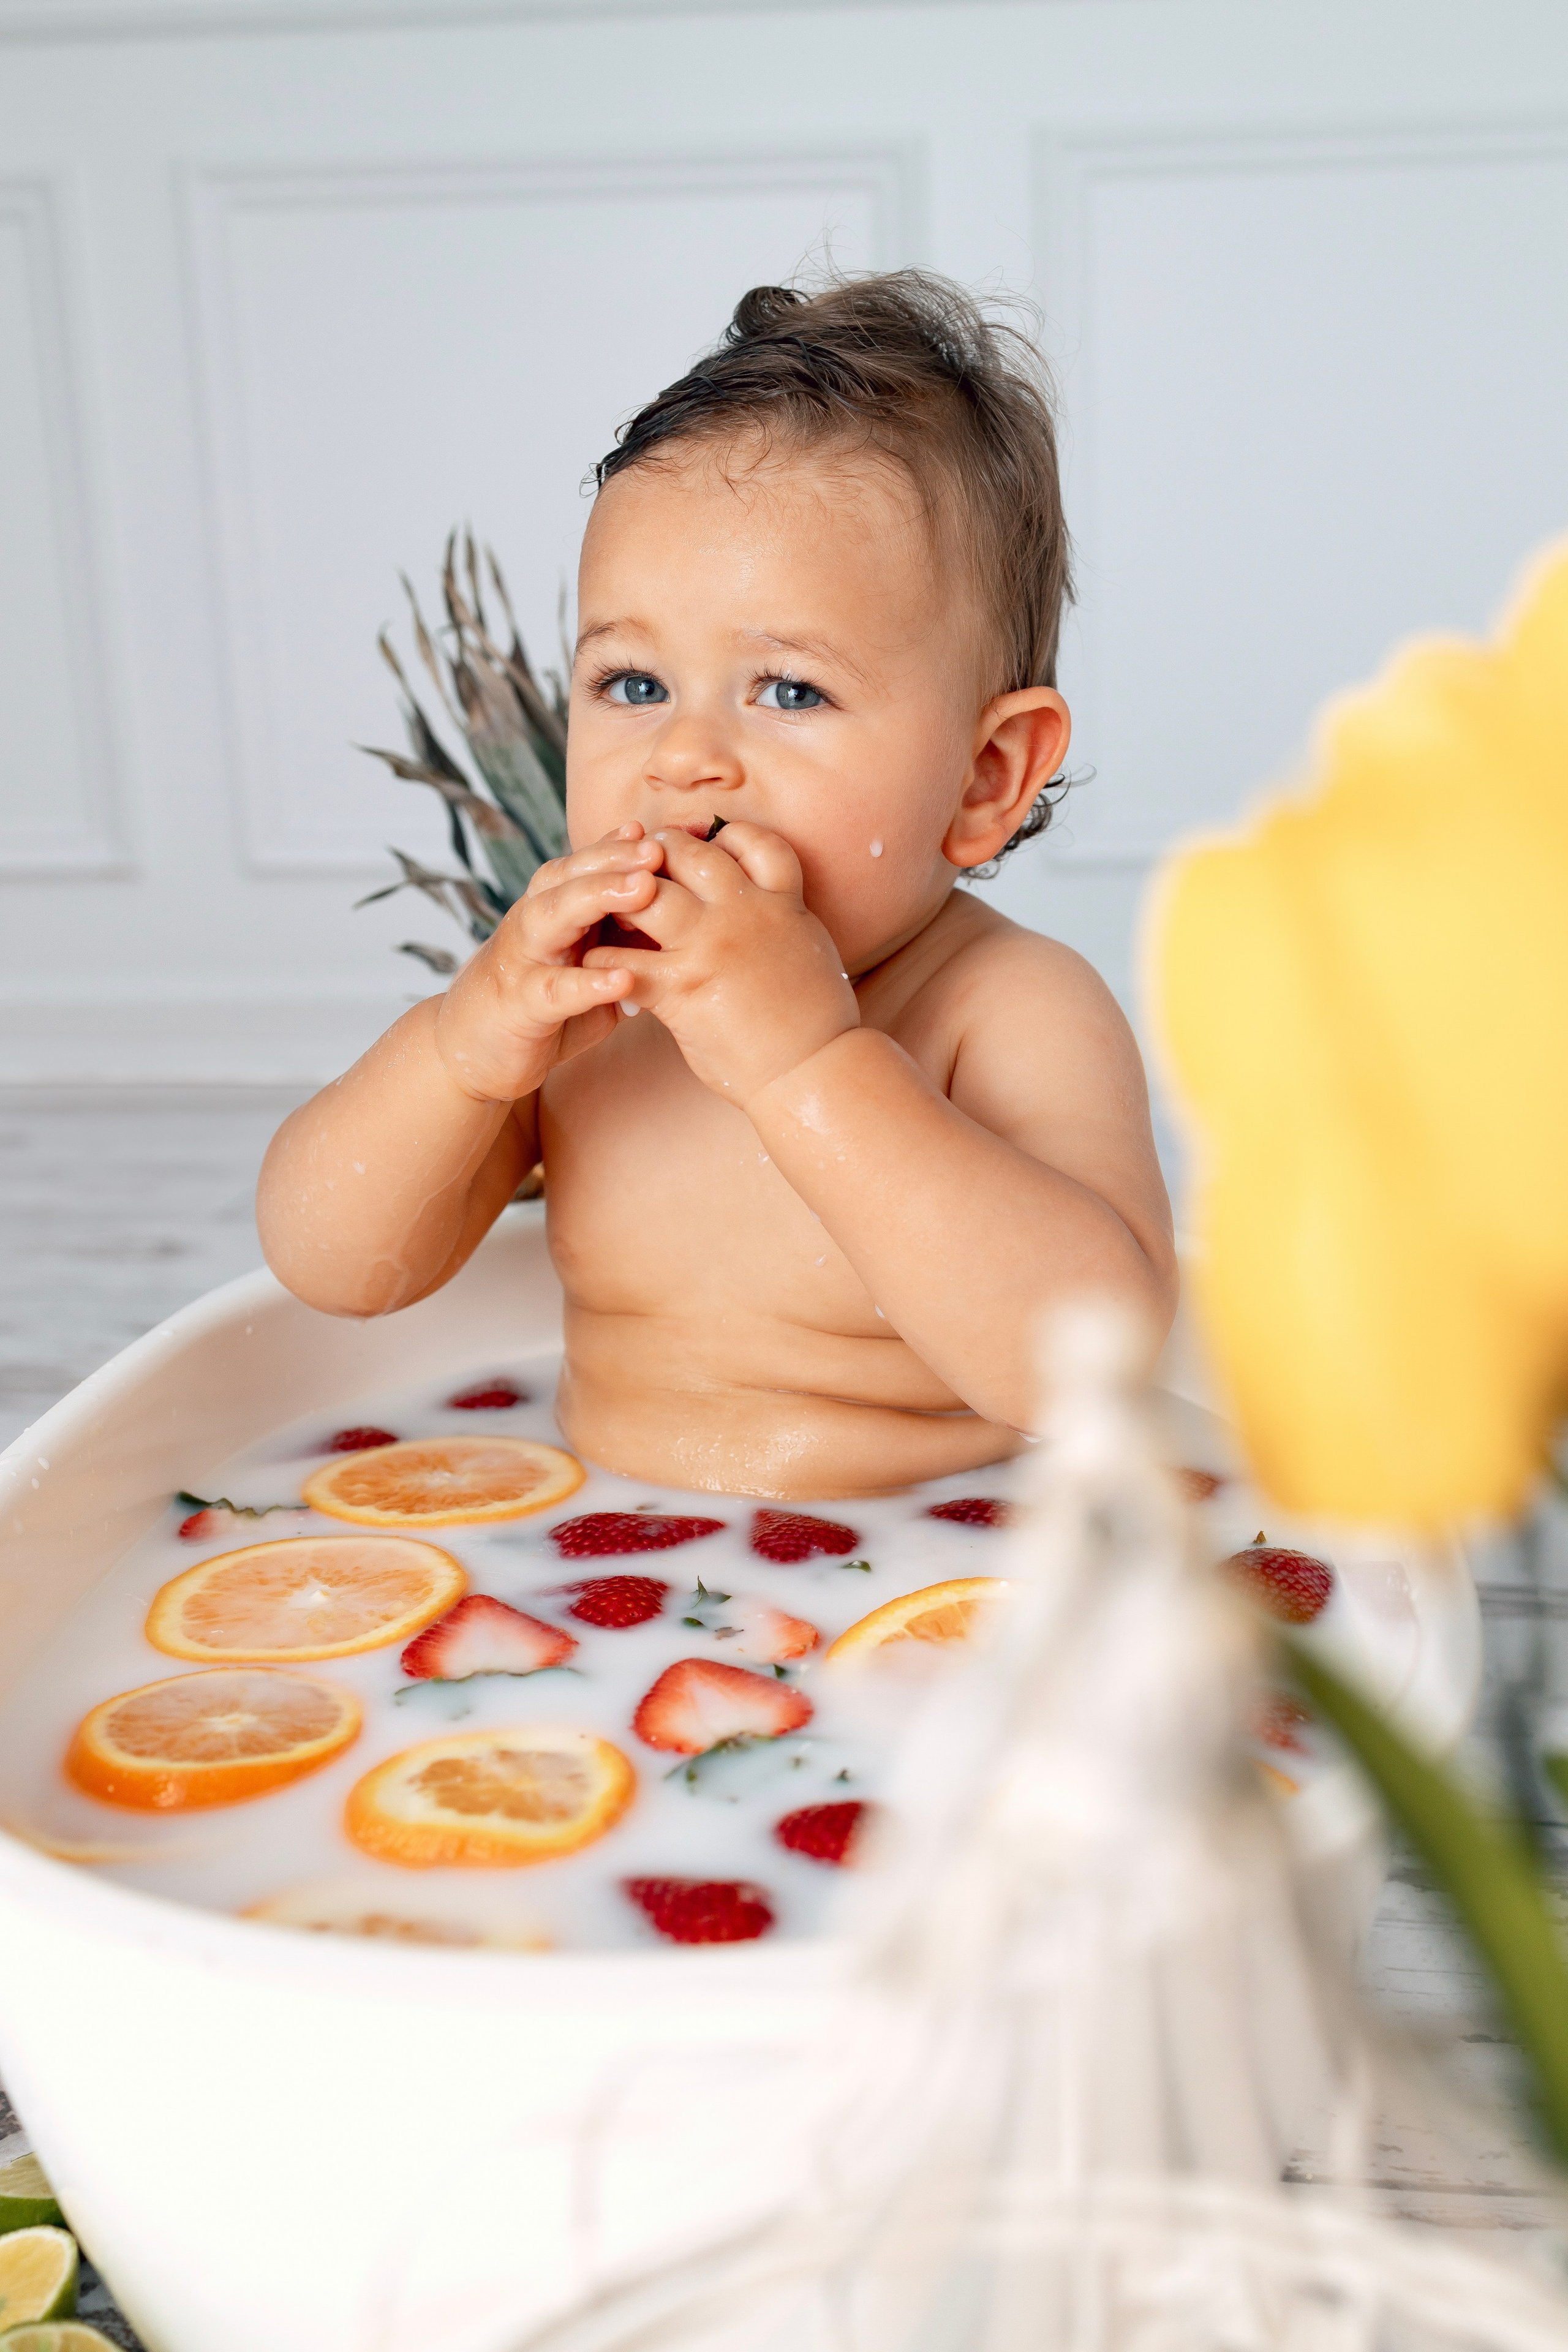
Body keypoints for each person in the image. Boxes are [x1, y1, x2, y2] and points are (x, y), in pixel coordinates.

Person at [257, 273, 1175, 1499]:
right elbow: (332, 1266)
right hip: (600, 1553)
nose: (681, 757)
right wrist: (466, 1046)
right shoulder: (587, 1016)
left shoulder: (1006, 1009)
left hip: (934, 1581)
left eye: (787, 690)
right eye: (631, 684)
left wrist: (805, 1066)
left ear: (983, 775)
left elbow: (1086, 1369)